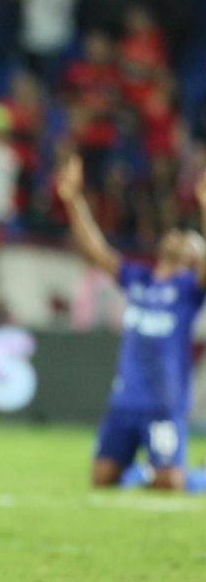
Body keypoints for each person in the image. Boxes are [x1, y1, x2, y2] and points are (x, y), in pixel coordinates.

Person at [57, 155, 206, 491]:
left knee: (170, 482)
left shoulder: (188, 290)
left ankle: (199, 476)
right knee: (102, 478)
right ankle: (145, 471)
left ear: (193, 260)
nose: (179, 235)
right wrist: (73, 200)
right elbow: (96, 250)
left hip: (163, 403)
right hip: (125, 400)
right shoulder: (139, 280)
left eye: (189, 238)